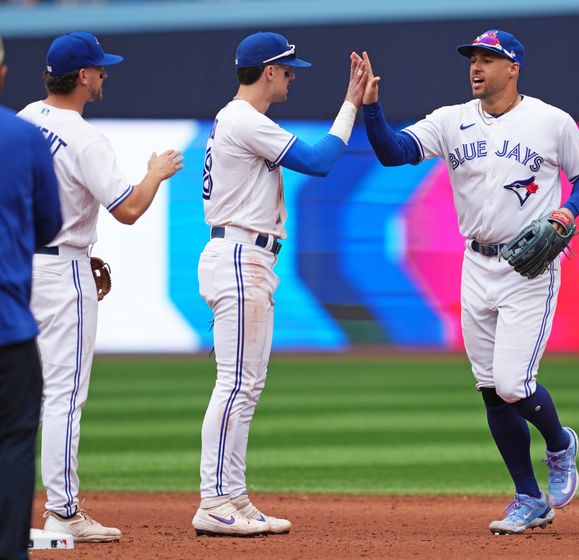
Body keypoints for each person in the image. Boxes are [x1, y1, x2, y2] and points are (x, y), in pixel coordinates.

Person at [359, 29, 579, 534]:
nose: (476, 66)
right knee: (491, 390)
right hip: (476, 264)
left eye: (489, 59)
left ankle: (559, 443)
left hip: (528, 266)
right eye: (473, 58)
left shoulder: (551, 121)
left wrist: (567, 212)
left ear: (513, 69)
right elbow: (393, 152)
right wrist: (371, 108)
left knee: (514, 384)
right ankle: (528, 498)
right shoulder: (451, 120)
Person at [193, 31, 366, 537]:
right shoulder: (245, 120)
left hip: (245, 255)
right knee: (236, 384)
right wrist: (351, 104)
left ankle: (233, 495)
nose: (292, 77)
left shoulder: (241, 120)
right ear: (268, 71)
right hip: (241, 255)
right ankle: (213, 500)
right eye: (288, 70)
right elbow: (320, 161)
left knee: (246, 384)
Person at [17, 31, 184, 542]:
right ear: (83, 76)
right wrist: (154, 174)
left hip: (19, 266)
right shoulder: (86, 138)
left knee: (18, 390)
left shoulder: (26, 117)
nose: (105, 74)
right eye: (99, 68)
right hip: (63, 270)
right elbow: (128, 209)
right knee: (63, 395)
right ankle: (63, 510)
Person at [0, 35, 62, 560]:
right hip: (7, 328)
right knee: (14, 442)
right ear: (2, 72)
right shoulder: (23, 138)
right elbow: (49, 225)